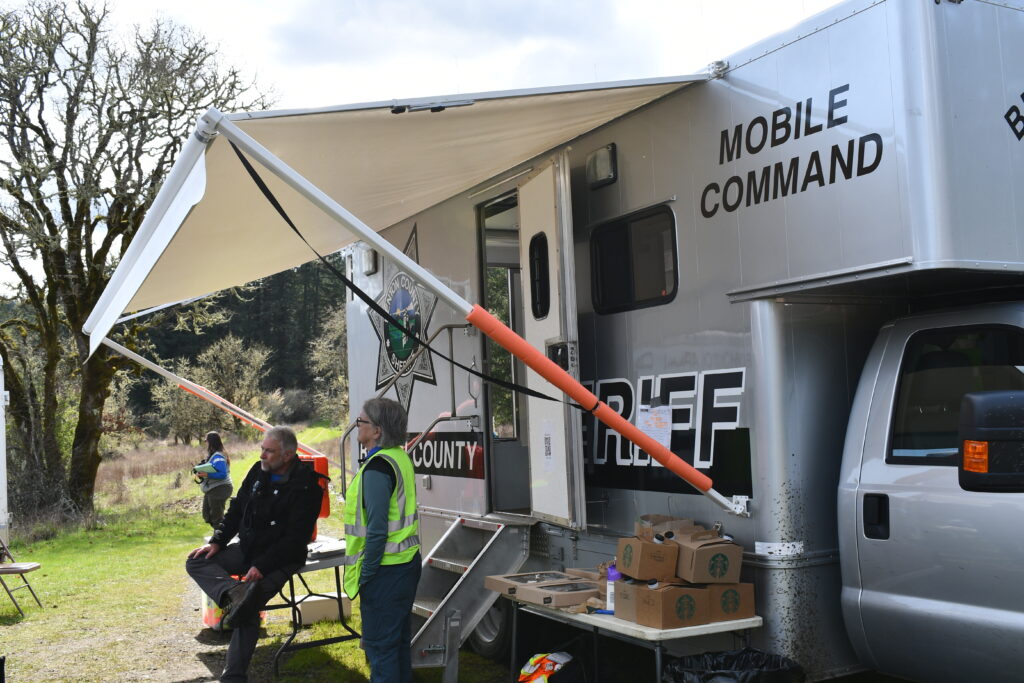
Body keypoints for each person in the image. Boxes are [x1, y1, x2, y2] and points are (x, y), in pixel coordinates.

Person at [186, 426, 325, 683]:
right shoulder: (257, 472)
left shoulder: (309, 487)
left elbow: (296, 539)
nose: (262, 455)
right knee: (197, 561)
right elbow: (237, 508)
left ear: (287, 455)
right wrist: (217, 541)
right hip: (249, 549)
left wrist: (262, 565)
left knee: (248, 605)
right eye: (262, 449)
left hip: (280, 558)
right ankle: (233, 594)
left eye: (269, 451)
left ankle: (233, 677)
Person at [344, 397, 421, 683]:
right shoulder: (399, 457)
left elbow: (376, 530)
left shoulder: (377, 468)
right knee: (397, 645)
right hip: (405, 564)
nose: (356, 426)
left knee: (381, 649)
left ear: (377, 431)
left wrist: (366, 572)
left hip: (385, 570)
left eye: (361, 421)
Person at [195, 431, 233, 530]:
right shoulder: (215, 455)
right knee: (207, 516)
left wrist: (206, 474)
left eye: (206, 440)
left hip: (220, 489)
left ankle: (219, 542)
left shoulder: (218, 456)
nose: (205, 443)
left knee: (217, 519)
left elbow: (222, 474)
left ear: (211, 442)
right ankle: (224, 531)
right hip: (212, 489)